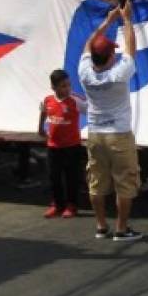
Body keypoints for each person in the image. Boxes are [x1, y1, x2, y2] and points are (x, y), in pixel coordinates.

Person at [78, 1, 142, 241]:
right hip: (119, 134)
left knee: (96, 181)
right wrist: (126, 19)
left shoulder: (84, 72)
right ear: (109, 55)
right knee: (125, 182)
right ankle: (121, 229)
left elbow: (87, 44)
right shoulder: (119, 73)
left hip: (95, 134)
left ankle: (101, 226)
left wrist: (106, 22)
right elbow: (131, 48)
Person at [38, 69, 87, 218]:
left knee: (71, 177)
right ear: (53, 87)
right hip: (53, 146)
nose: (67, 88)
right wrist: (40, 128)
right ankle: (57, 205)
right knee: (54, 177)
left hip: (72, 146)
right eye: (63, 86)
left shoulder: (76, 100)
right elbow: (43, 112)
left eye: (68, 85)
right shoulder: (48, 100)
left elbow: (92, 111)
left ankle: (71, 206)